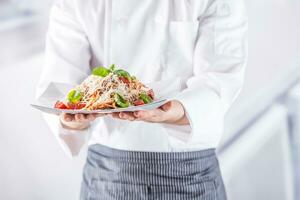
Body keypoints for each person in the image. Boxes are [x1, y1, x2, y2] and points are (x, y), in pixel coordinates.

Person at [36, 0, 248, 199]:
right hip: (107, 177)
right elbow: (60, 82)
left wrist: (182, 110)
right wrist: (71, 116)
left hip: (190, 174)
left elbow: (220, 77)